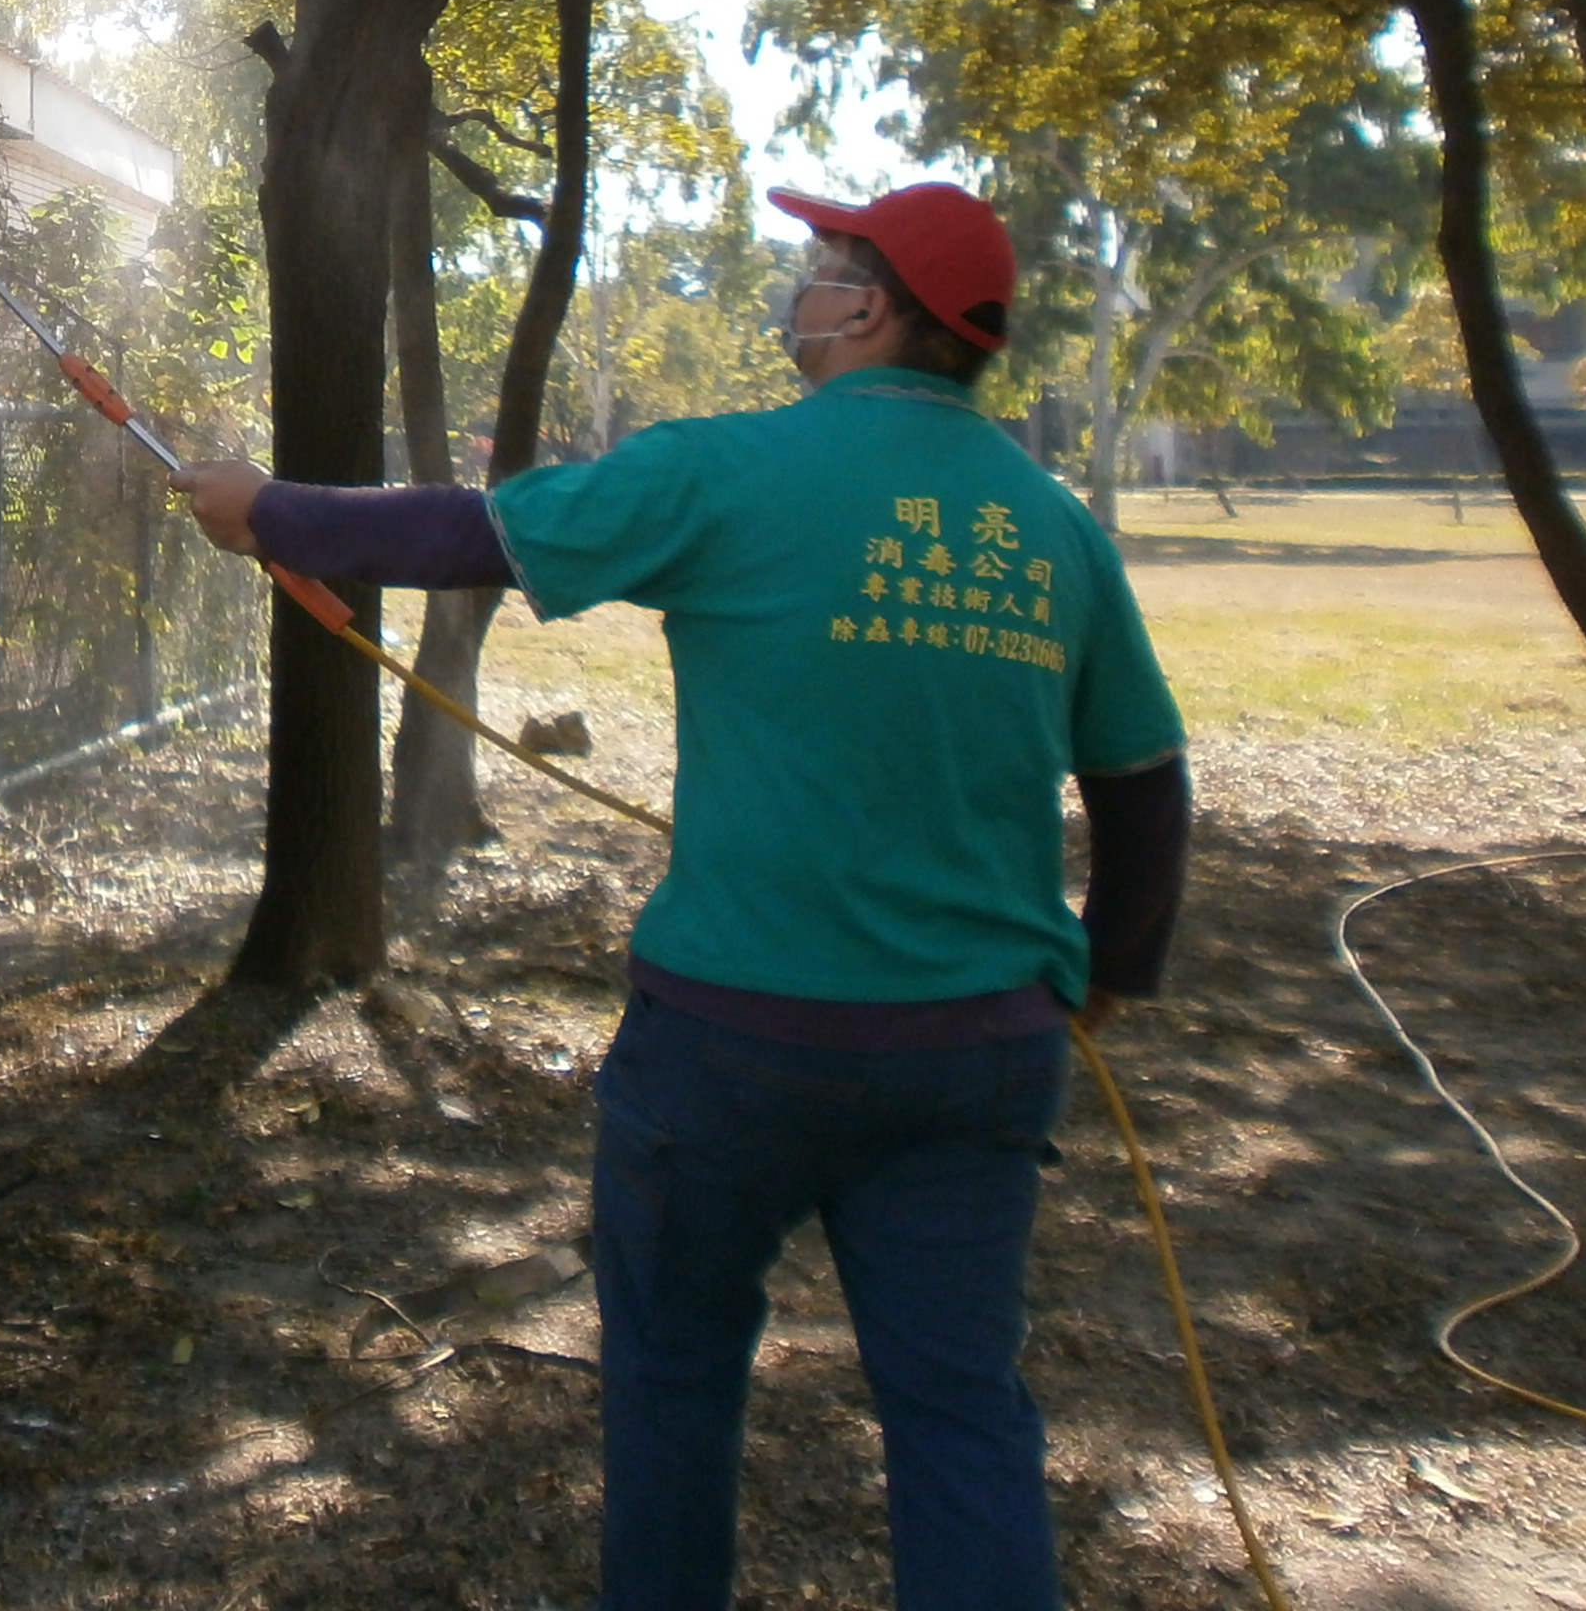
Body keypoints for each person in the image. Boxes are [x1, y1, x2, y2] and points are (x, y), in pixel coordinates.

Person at [172, 181, 1190, 1611]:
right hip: (977, 1060)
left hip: (731, 1055)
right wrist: (1112, 979)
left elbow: (473, 536)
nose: (803, 282)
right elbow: (1146, 780)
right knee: (961, 1418)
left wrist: (262, 510)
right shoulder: (1053, 526)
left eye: (827, 264)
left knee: (671, 1390)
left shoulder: (726, 471)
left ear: (873, 310)